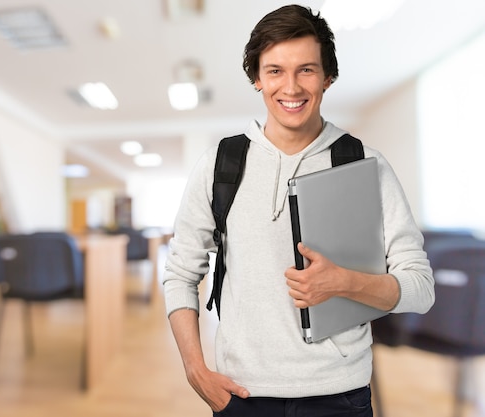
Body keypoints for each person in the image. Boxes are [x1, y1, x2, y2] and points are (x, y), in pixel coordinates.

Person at [162, 5, 435, 417]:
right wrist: (195, 370)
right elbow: (181, 273)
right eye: (275, 71)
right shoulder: (220, 164)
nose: (291, 87)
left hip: (339, 395)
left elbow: (420, 289)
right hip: (241, 394)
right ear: (257, 78)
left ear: (328, 77)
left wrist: (346, 282)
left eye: (306, 70)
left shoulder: (364, 164)